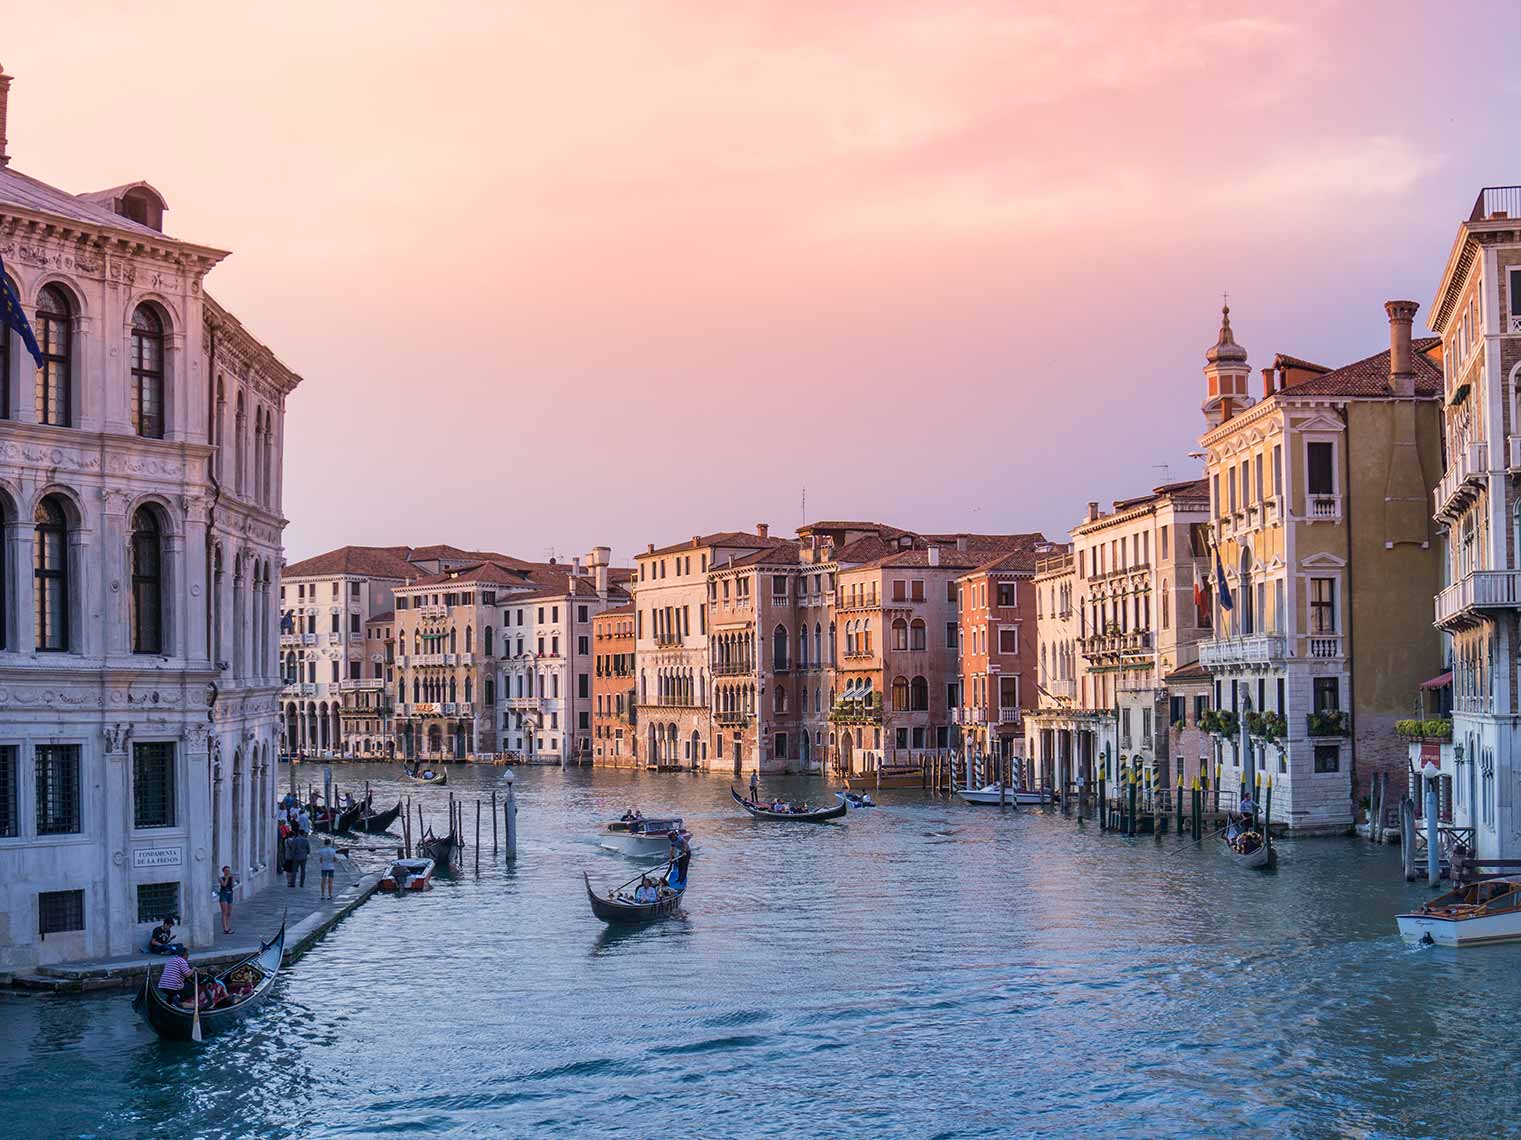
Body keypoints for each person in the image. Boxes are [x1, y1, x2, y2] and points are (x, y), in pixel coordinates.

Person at [217, 866, 236, 934]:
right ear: (223, 871)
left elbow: (233, 886)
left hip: (230, 894)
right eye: (226, 870)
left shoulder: (231, 878)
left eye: (228, 870)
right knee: (224, 912)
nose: (228, 872)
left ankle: (227, 926)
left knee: (229, 912)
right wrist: (227, 877)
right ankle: (225, 928)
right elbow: (224, 885)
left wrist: (232, 878)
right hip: (223, 895)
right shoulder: (221, 878)